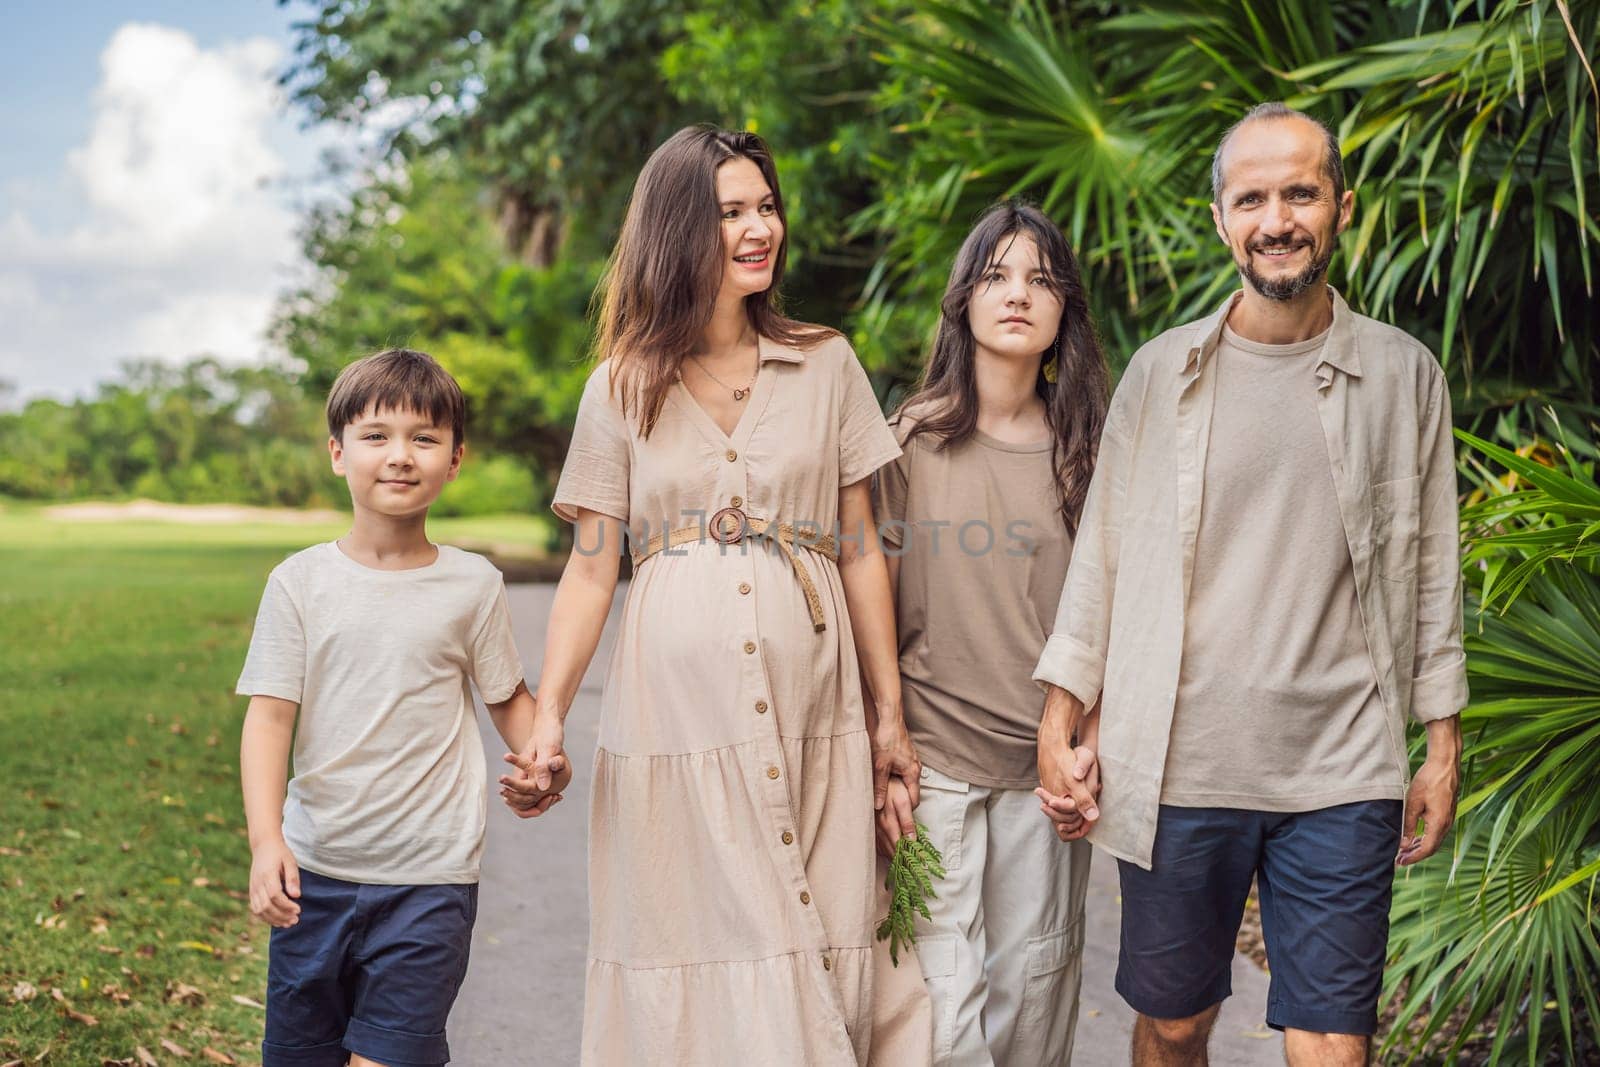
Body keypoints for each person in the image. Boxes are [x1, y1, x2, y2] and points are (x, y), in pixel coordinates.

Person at [1033, 103, 1467, 1067]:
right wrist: (1061, 715)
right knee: (1176, 1025)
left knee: (1333, 1044)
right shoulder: (1160, 376)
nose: (1278, 218)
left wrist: (1440, 743)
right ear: (1223, 217)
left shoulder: (1404, 377)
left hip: (1344, 768)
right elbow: (1103, 556)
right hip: (1185, 764)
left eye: (1300, 193)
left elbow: (1434, 565)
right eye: (1254, 198)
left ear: (1342, 207)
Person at [500, 125, 931, 1064]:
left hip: (818, 714)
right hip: (674, 724)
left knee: (821, 933)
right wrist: (550, 718)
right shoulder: (619, 386)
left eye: (766, 206)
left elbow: (860, 549)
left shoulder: (826, 362)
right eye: (731, 211)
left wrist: (888, 719)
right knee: (700, 942)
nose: (759, 228)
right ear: (676, 230)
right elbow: (589, 564)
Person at [237, 348, 569, 1067]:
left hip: (430, 875)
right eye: (377, 435)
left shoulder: (472, 583)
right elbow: (269, 719)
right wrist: (267, 841)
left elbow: (506, 696)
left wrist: (544, 755)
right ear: (337, 452)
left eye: (424, 437)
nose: (400, 455)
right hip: (315, 875)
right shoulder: (298, 583)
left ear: (455, 461)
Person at [871, 200, 1108, 1065]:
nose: (1018, 295)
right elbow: (875, 613)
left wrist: (1092, 743)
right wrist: (881, 741)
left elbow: (1115, 618)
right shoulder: (909, 440)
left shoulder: (1089, 452)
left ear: (1063, 314)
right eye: (997, 275)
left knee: (1033, 1003)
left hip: (1045, 777)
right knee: (940, 1012)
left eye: (1041, 280)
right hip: (932, 768)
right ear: (963, 298)